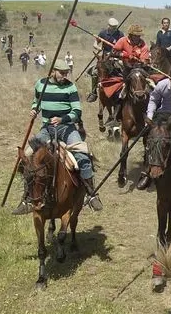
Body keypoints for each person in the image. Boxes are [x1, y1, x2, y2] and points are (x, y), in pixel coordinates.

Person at [11, 59, 103, 215]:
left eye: (66, 73)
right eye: (62, 73)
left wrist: (62, 119)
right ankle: (27, 198)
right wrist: (34, 109)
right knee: (26, 159)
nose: (64, 76)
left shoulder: (70, 87)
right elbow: (36, 101)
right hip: (46, 129)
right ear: (53, 71)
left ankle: (91, 194)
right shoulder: (41, 84)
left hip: (67, 128)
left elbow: (77, 112)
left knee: (83, 156)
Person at [86, 17, 124, 102]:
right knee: (95, 72)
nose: (114, 28)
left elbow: (124, 46)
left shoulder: (120, 34)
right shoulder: (103, 33)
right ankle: (94, 92)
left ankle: (125, 91)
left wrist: (118, 50)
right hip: (104, 58)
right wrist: (98, 47)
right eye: (112, 26)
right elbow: (95, 43)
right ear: (108, 25)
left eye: (115, 27)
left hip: (116, 58)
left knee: (124, 71)